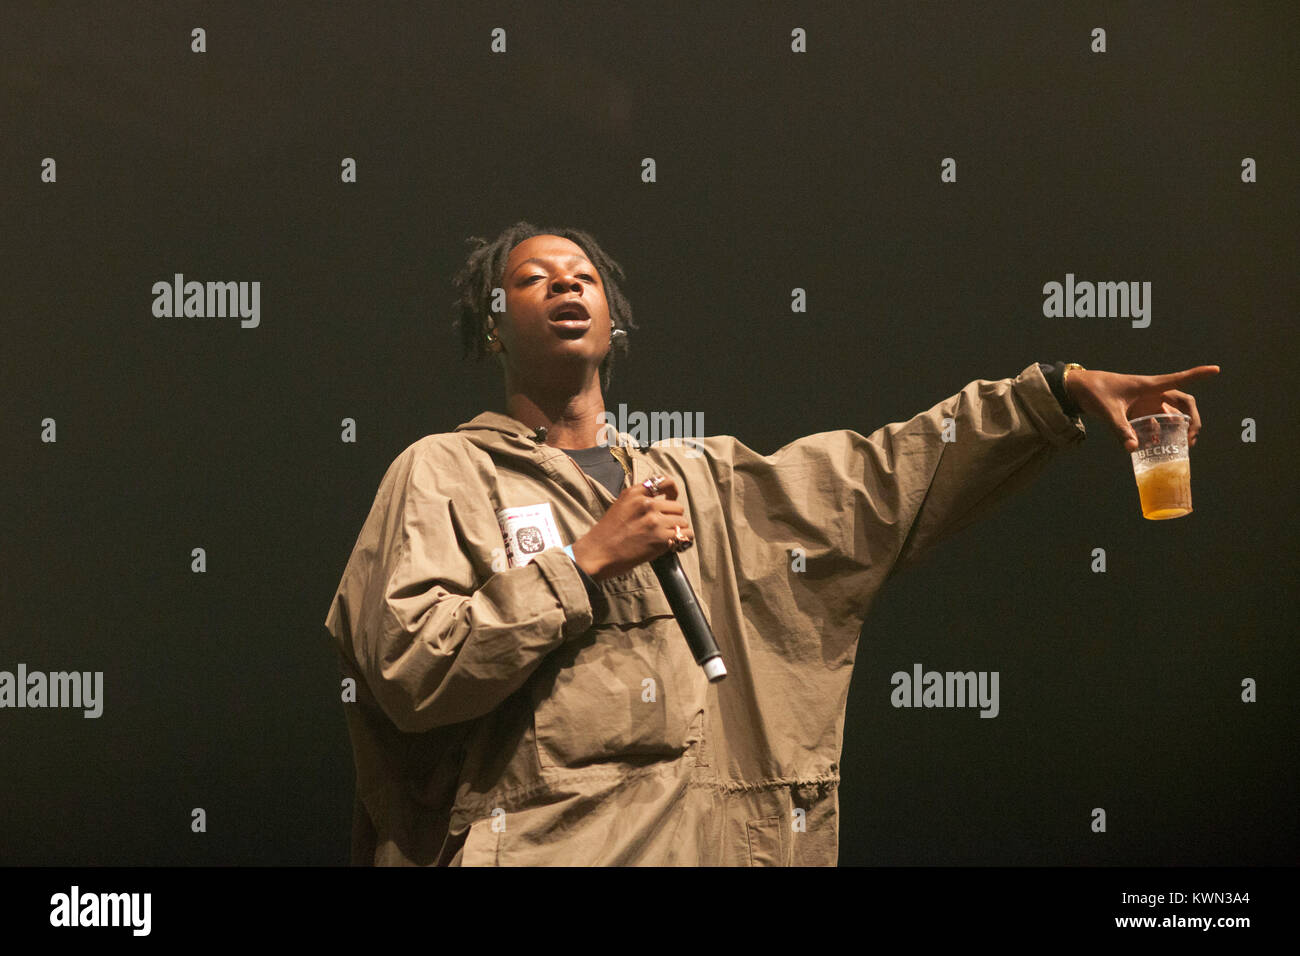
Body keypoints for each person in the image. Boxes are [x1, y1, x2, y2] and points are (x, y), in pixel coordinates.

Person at [323, 221, 1219, 865]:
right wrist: (583, 564)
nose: (566, 284)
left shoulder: (703, 482)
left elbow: (879, 479)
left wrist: (1051, 396)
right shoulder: (442, 472)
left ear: (615, 323)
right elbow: (408, 668)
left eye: (584, 276)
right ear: (492, 323)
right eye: (534, 277)